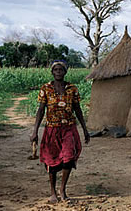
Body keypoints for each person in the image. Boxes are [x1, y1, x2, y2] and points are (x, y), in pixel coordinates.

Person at [30, 60, 90, 203]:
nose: (58, 72)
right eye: (55, 70)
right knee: (51, 160)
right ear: (52, 72)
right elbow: (40, 110)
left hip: (69, 128)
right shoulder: (46, 89)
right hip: (51, 128)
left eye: (61, 70)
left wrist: (85, 129)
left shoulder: (72, 89)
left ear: (65, 72)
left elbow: (78, 109)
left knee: (68, 158)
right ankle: (52, 192)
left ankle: (62, 190)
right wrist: (35, 131)